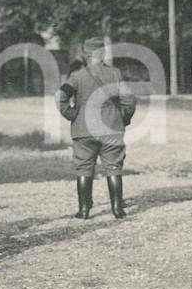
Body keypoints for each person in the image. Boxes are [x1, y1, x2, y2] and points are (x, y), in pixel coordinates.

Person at [56, 38, 137, 220]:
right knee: (114, 167)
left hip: (83, 129)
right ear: (103, 54)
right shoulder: (115, 74)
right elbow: (129, 100)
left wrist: (70, 114)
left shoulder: (77, 76)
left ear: (85, 55)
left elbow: (59, 96)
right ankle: (117, 210)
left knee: (84, 168)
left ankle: (84, 211)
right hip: (111, 128)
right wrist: (123, 119)